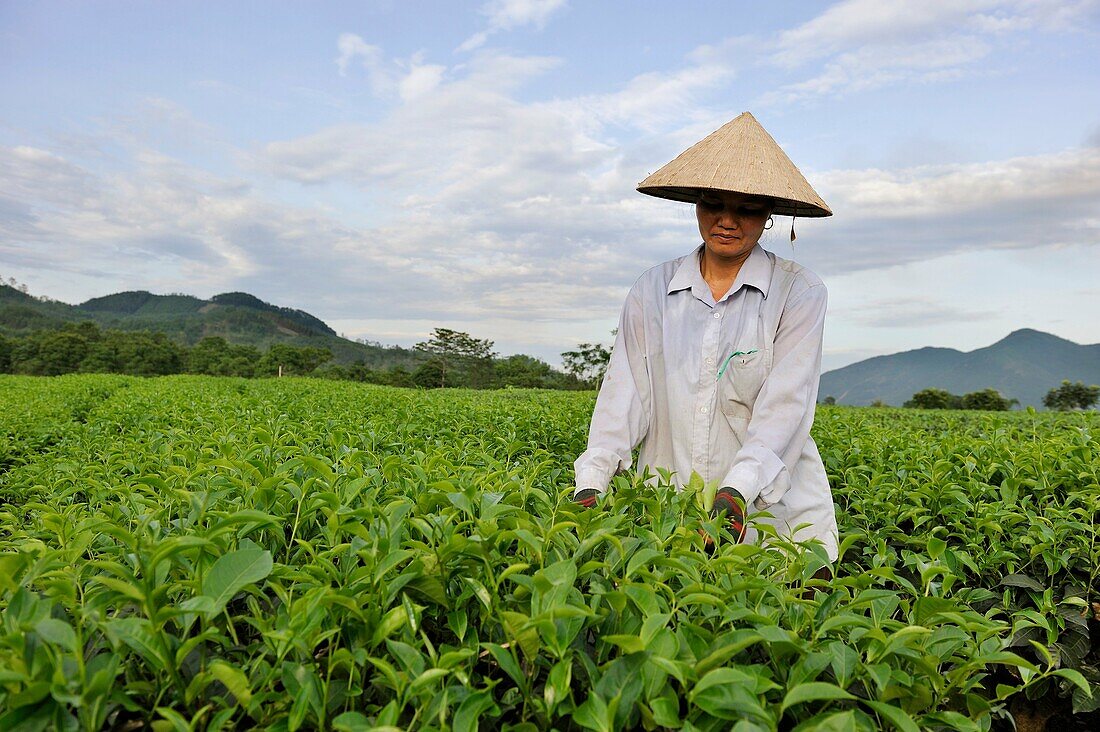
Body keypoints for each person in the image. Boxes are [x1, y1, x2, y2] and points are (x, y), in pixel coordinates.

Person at [572, 112, 839, 566]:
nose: (727, 221)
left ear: (769, 215)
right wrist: (591, 484)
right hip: (668, 513)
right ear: (696, 203)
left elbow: (785, 406)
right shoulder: (652, 290)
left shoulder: (798, 291)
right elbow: (624, 395)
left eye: (748, 209)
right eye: (714, 203)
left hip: (777, 519)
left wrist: (736, 493)